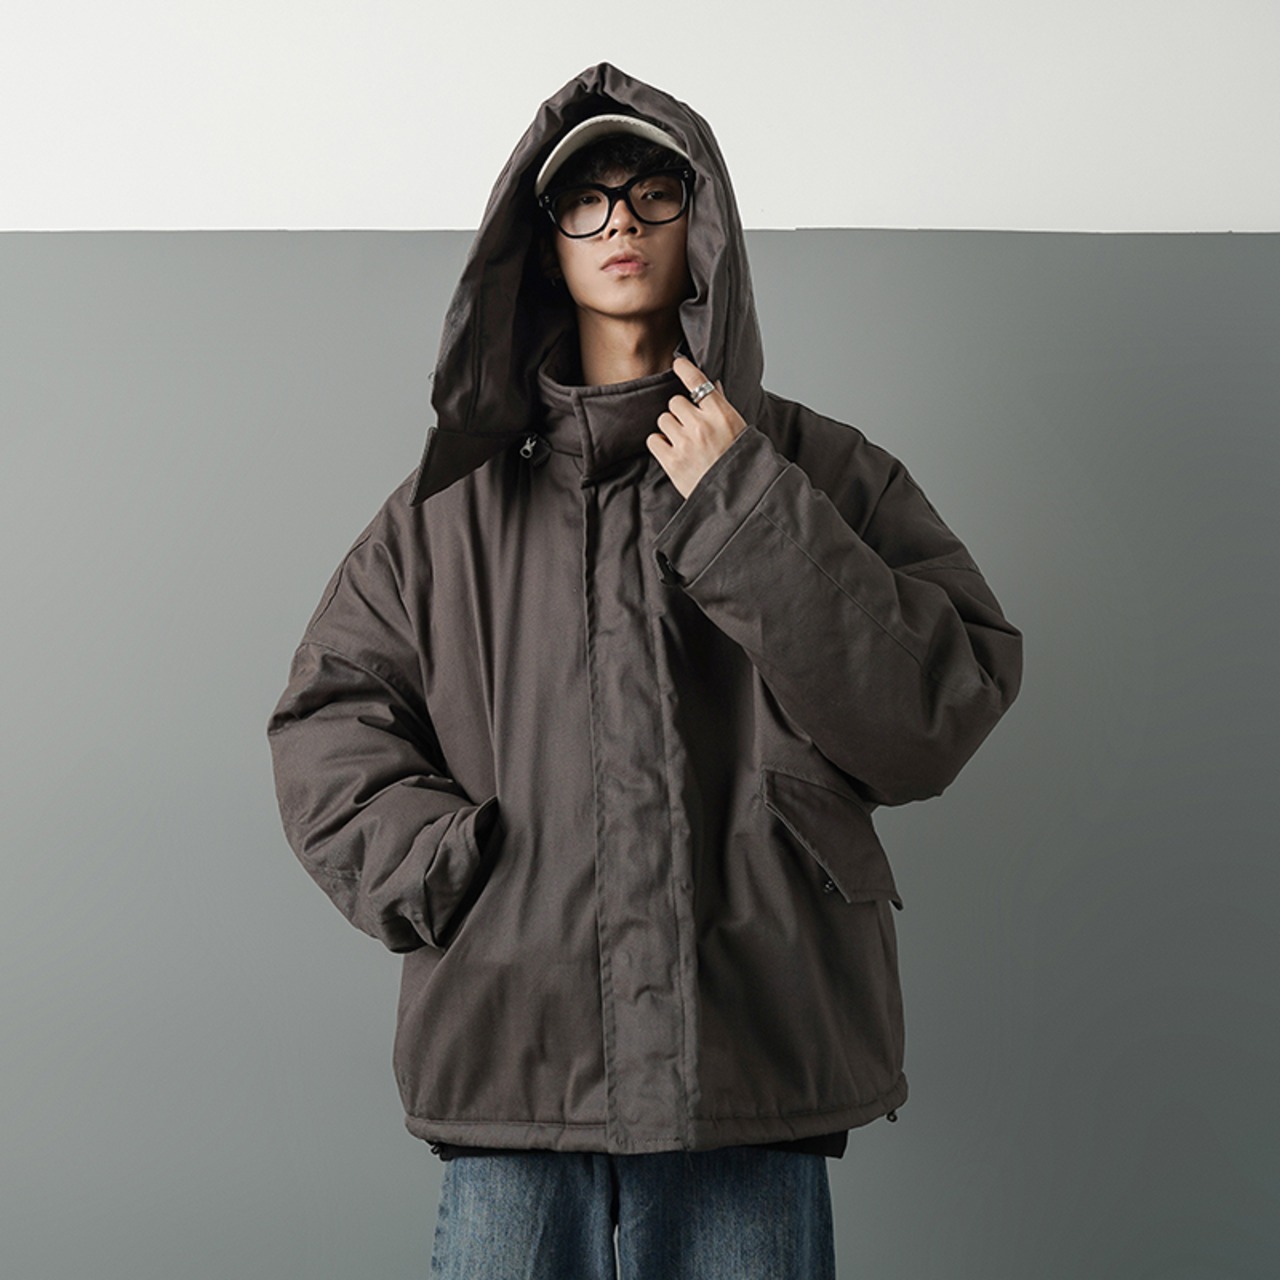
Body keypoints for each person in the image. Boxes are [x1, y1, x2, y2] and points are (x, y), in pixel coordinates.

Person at [266, 62, 1023, 1279]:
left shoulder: (818, 471)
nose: (618, 219)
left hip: (749, 1058)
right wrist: (460, 875)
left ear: (700, 224)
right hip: (515, 1058)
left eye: (651, 190)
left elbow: (932, 712)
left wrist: (745, 506)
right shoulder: (447, 511)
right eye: (585, 199)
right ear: (544, 244)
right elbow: (324, 724)